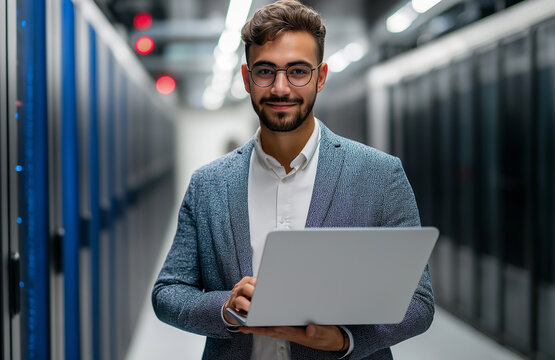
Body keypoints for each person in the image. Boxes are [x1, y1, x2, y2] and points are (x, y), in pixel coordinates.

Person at [152, 1, 434, 359]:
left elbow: (418, 301)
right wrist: (225, 308)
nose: (281, 88)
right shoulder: (209, 185)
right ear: (246, 78)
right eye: (265, 71)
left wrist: (344, 339)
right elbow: (168, 291)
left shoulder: (379, 175)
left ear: (320, 76)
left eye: (298, 71)